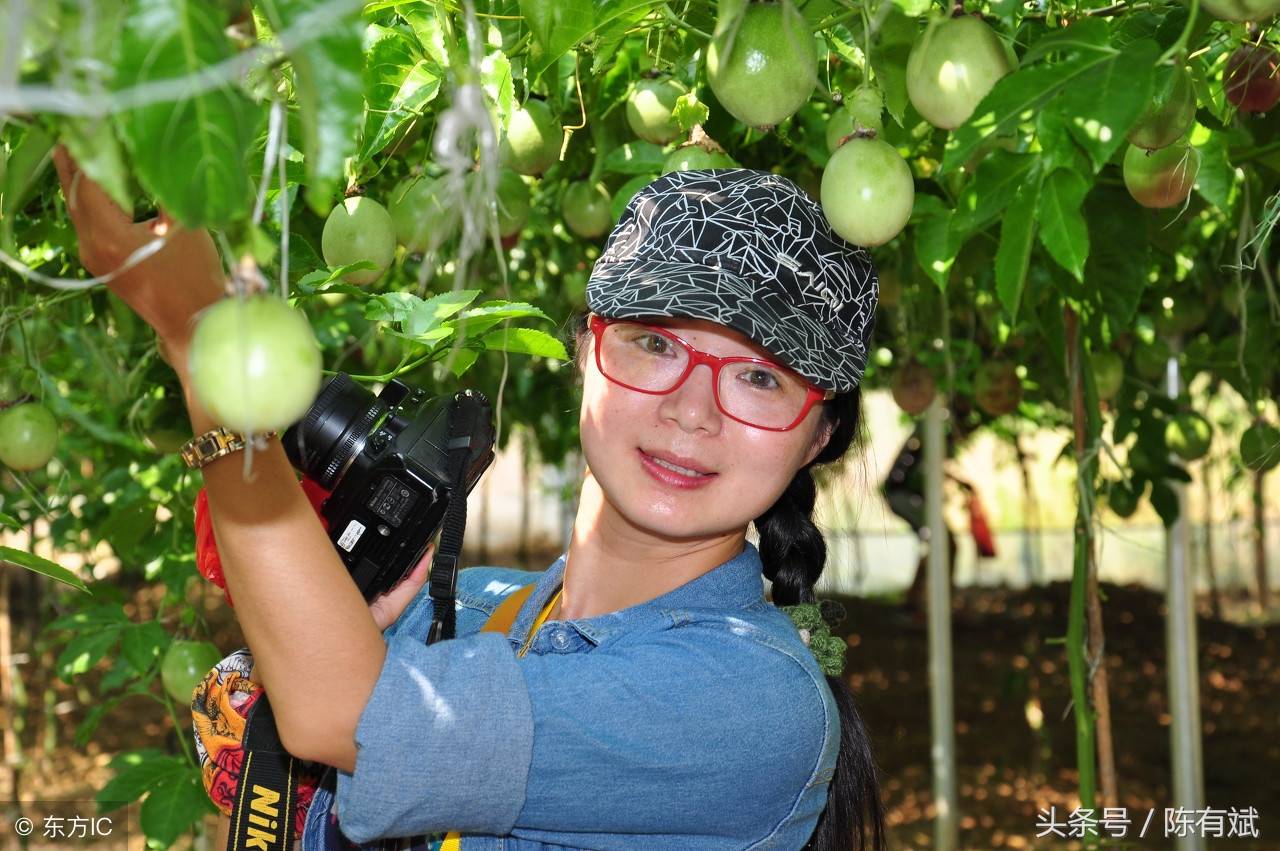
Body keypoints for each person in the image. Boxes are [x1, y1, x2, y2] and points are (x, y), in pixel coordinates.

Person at [55, 153, 885, 850]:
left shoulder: (751, 702)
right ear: (585, 352)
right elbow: (302, 706)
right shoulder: (475, 606)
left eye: (758, 377)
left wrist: (203, 336)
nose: (691, 411)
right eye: (655, 343)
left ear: (818, 435)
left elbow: (342, 714)